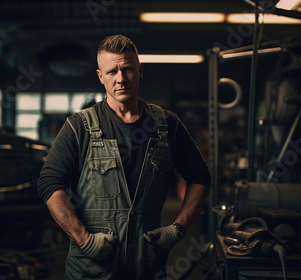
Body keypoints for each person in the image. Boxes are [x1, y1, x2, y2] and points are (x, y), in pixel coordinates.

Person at [37, 34, 211, 279]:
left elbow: (200, 177)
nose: (120, 78)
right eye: (111, 72)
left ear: (140, 71)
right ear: (100, 77)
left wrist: (178, 228)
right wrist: (83, 238)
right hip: (92, 266)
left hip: (146, 263)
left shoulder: (166, 125)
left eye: (127, 69)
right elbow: (49, 182)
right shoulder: (79, 126)